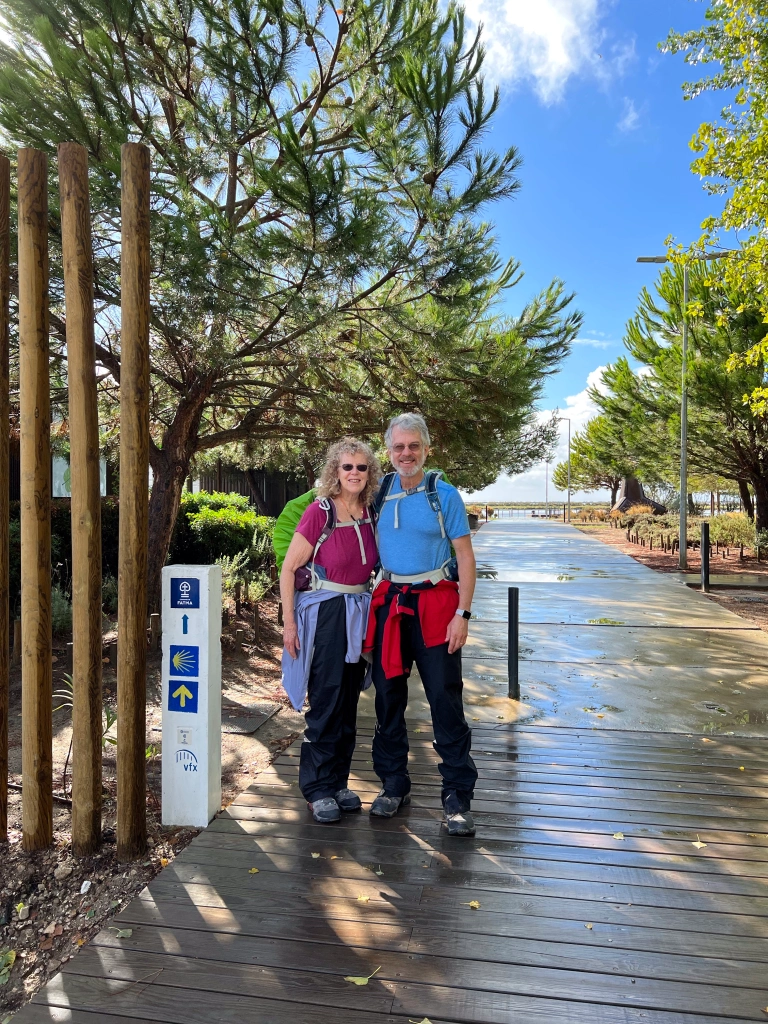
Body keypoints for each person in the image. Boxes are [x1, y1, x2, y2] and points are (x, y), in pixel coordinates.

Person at [363, 412, 478, 836]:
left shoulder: (443, 495)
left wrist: (462, 615)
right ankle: (394, 784)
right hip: (390, 605)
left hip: (436, 606)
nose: (406, 454)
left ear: (426, 449)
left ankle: (456, 796)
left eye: (414, 446)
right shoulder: (379, 492)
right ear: (388, 451)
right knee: (388, 699)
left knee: (445, 701)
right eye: (398, 447)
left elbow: (465, 557)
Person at [280, 438, 381, 824]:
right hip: (325, 613)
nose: (354, 473)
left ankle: (338, 781)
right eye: (347, 467)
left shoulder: (370, 512)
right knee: (326, 699)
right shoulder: (319, 512)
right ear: (335, 472)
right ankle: (317, 788)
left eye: (361, 467)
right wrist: (289, 623)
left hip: (357, 611)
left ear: (370, 473)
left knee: (349, 702)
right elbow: (289, 569)